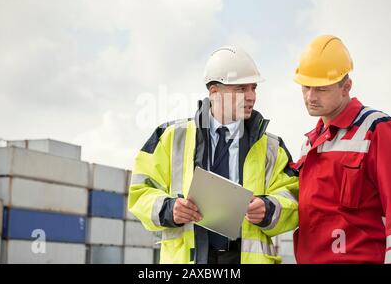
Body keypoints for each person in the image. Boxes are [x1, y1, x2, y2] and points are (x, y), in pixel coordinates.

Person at [128, 46, 298, 264]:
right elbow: (140, 192)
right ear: (214, 92)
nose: (251, 97)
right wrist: (170, 209)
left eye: (253, 88)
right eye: (241, 89)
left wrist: (269, 208)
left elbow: (294, 197)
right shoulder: (170, 137)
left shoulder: (273, 147)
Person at [292, 34, 391, 264]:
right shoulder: (308, 145)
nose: (311, 97)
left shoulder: (378, 130)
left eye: (321, 89)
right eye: (306, 87)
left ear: (346, 86)